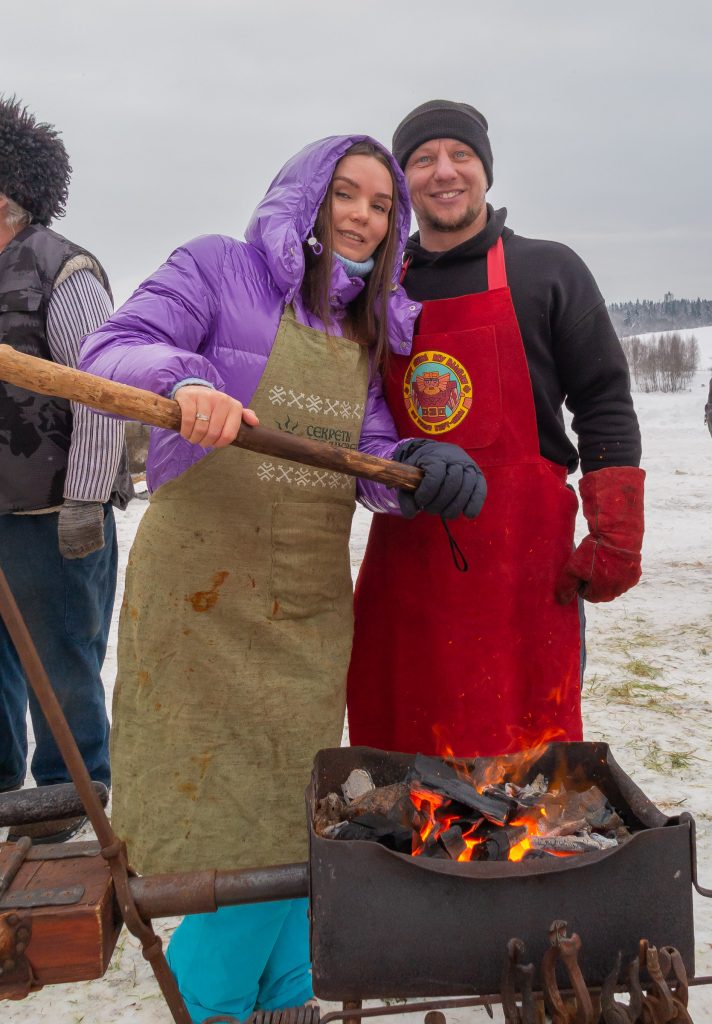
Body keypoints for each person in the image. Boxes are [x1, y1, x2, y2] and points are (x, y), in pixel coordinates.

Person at [80, 134, 485, 1024]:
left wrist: (420, 467)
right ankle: (220, 1004)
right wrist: (185, 379)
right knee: (216, 812)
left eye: (384, 208)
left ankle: (289, 996)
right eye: (348, 194)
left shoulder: (364, 327)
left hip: (305, 609)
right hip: (203, 600)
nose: (363, 218)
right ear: (307, 195)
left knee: (291, 805)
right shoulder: (219, 270)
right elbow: (110, 350)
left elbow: (369, 453)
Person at [347, 100, 644, 760]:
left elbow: (603, 398)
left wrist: (616, 532)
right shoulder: (381, 289)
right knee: (402, 757)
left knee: (526, 764)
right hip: (411, 566)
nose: (443, 172)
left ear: (485, 171)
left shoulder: (548, 271)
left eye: (461, 156)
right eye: (423, 159)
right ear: (403, 181)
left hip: (523, 573)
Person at [0, 96, 132, 842]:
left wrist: (85, 500)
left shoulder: (64, 268)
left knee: (60, 662)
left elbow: (102, 396)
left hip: (52, 516)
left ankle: (69, 800)